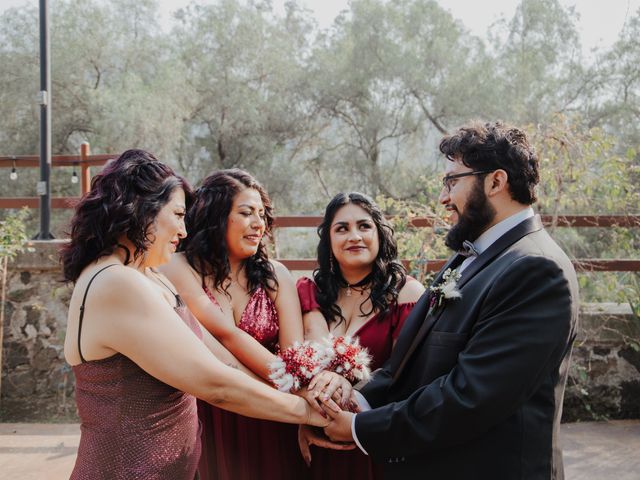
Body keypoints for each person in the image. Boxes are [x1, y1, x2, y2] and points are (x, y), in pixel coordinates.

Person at [322, 121, 580, 480]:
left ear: (495, 181)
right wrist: (354, 400)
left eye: (452, 181)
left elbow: (472, 396)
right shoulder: (469, 255)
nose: (444, 197)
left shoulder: (536, 270)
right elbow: (409, 360)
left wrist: (360, 427)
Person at [61, 151, 327, 480]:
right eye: (177, 214)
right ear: (142, 210)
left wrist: (303, 395)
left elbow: (219, 359)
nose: (184, 231)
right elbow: (215, 385)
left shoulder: (148, 276)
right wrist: (312, 414)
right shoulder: (118, 283)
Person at [160, 169, 351, 480]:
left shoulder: (276, 275)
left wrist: (296, 397)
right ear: (216, 216)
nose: (258, 224)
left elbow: (293, 355)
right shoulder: (179, 268)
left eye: (261, 214)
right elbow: (225, 335)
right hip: (211, 411)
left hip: (273, 415)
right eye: (246, 213)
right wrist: (296, 394)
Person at [296, 192, 425, 479]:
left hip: (374, 439)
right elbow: (298, 363)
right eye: (342, 228)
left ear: (380, 233)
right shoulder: (312, 293)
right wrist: (303, 416)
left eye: (364, 226)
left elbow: (408, 378)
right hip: (318, 439)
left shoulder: (406, 295)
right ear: (328, 240)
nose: (354, 236)